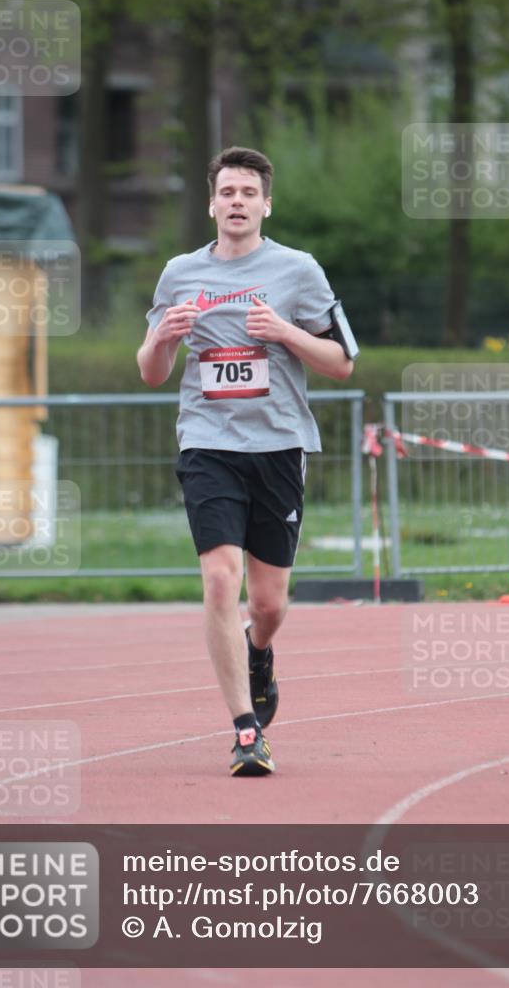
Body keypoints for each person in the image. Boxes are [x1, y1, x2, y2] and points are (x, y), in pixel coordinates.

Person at [137, 146, 354, 777]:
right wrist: (163, 338)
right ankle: (245, 730)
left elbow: (342, 363)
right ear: (212, 204)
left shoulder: (298, 270)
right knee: (218, 579)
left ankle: (259, 650)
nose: (237, 202)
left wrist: (285, 332)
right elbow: (151, 372)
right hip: (208, 444)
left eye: (248, 193)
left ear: (266, 205)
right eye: (227, 192)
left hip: (278, 447)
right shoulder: (180, 273)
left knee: (268, 604)